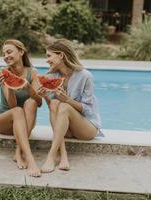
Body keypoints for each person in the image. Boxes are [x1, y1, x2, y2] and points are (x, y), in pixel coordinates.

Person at [38, 39, 102, 173]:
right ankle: (63, 155)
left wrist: (67, 100)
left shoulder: (85, 76)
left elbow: (89, 110)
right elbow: (52, 108)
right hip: (66, 129)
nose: (47, 60)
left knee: (64, 106)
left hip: (87, 127)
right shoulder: (52, 76)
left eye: (49, 56)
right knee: (55, 103)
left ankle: (51, 156)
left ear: (60, 55)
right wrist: (44, 95)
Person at [0, 39, 42, 177]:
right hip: (4, 121)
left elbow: (39, 102)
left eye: (9, 52)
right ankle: (31, 160)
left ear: (21, 52)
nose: (5, 56)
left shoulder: (32, 73)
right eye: (4, 54)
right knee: (18, 111)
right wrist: (9, 88)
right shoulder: (3, 72)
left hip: (24, 124)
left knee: (31, 102)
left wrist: (28, 87)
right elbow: (13, 106)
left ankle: (18, 151)